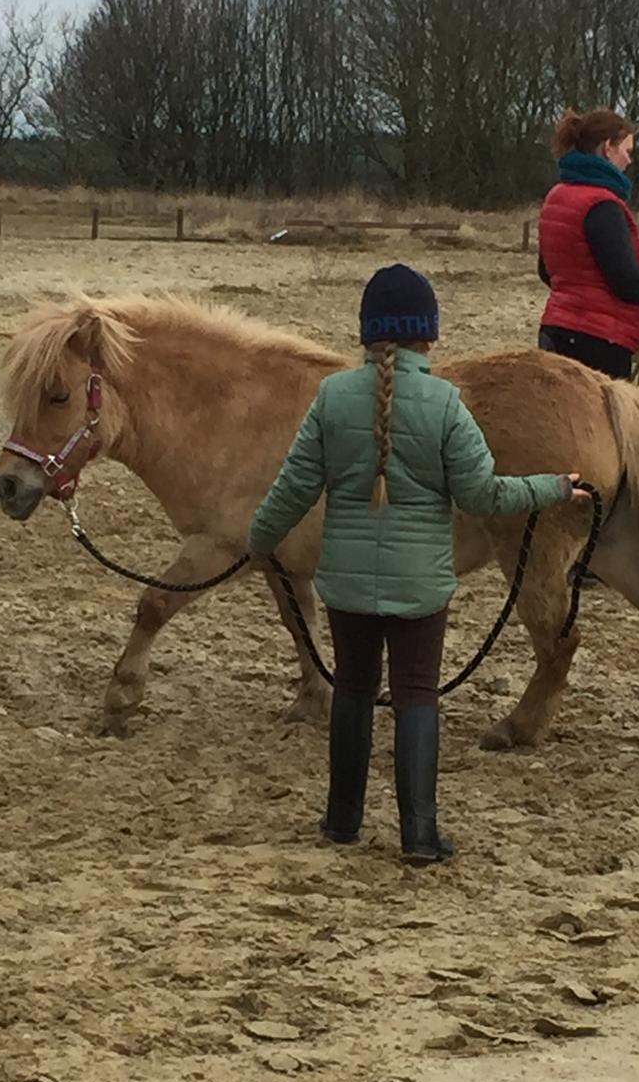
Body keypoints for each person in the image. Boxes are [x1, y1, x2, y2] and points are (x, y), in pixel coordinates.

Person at [248, 265, 588, 866]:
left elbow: (292, 489)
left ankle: (342, 819)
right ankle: (420, 833)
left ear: (366, 333)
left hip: (346, 583)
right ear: (427, 337)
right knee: (416, 697)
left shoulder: (331, 398)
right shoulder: (445, 405)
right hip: (421, 585)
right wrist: (553, 487)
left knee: (352, 691)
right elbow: (484, 495)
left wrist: (258, 541)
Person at [537, 107, 639, 381]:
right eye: (627, 150)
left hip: (556, 330)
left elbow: (546, 271)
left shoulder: (557, 196)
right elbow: (629, 284)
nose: (629, 160)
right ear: (608, 147)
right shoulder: (603, 205)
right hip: (599, 341)